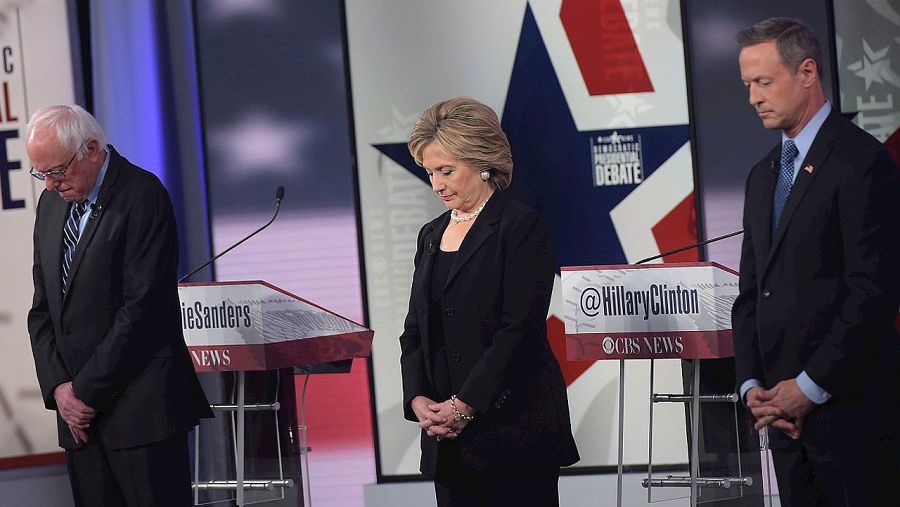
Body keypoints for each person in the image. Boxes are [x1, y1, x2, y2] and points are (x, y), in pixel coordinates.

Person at [731, 18, 900, 506]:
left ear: (807, 72)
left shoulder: (860, 162)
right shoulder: (761, 177)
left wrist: (808, 387)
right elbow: (750, 294)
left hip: (853, 421)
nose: (753, 98)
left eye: (764, 82)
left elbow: (872, 292)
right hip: (783, 424)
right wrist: (751, 387)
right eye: (747, 86)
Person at [26, 105, 212, 506]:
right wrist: (59, 389)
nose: (50, 186)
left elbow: (142, 310)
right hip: (80, 424)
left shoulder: (142, 196)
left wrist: (84, 394)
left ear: (92, 149)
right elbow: (43, 309)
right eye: (41, 174)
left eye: (57, 171)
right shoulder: (51, 204)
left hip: (140, 414)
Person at [399, 97, 579, 506]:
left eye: (447, 171)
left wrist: (465, 405)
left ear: (482, 162)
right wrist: (419, 399)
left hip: (513, 429)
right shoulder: (430, 235)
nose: (437, 184)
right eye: (430, 173)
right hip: (448, 439)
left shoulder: (519, 225)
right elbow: (415, 329)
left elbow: (519, 329)